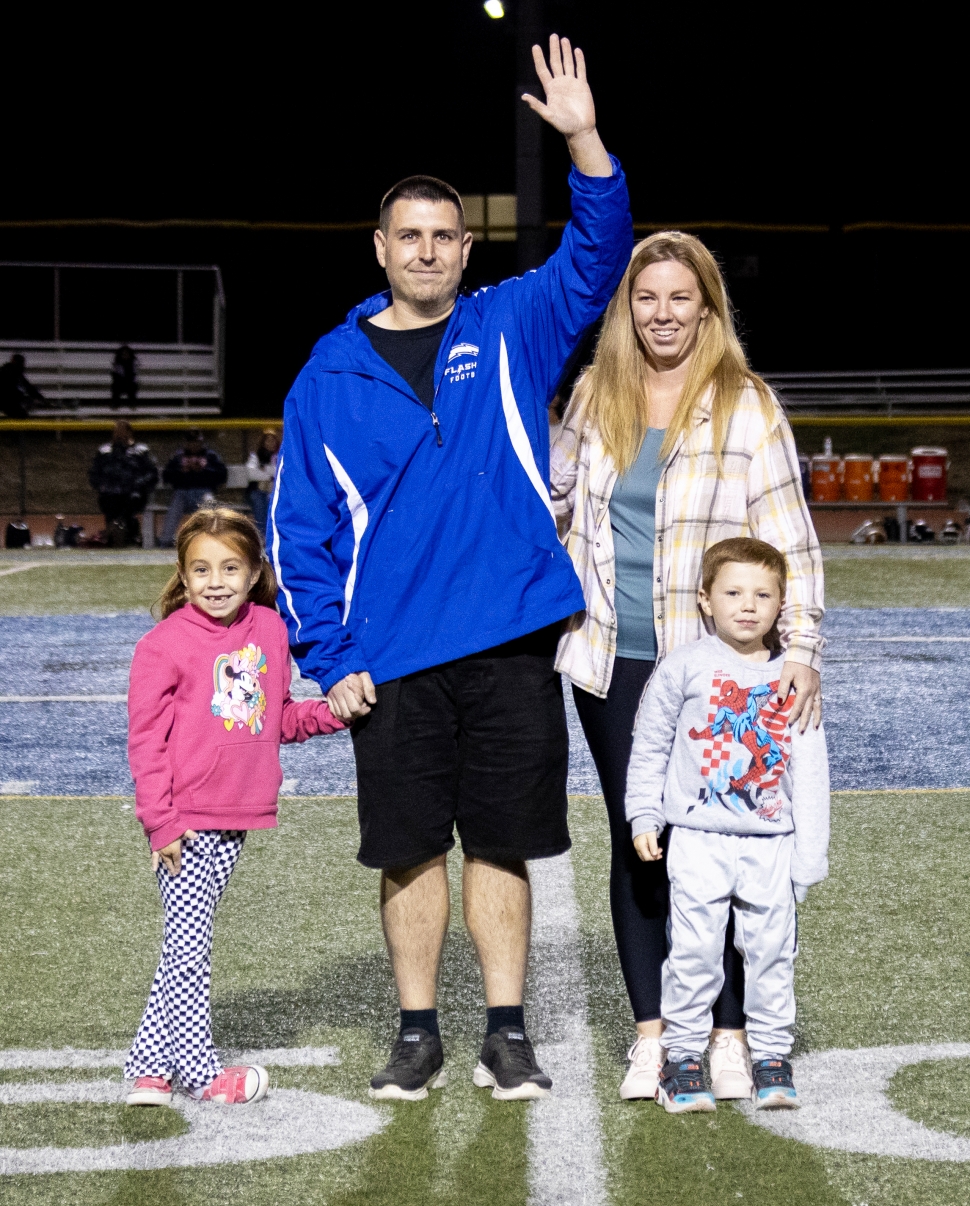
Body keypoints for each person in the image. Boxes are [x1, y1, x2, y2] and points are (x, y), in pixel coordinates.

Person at [270, 35, 632, 1102]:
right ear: (378, 247)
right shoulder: (325, 377)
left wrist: (583, 140)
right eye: (408, 236)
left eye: (443, 237)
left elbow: (599, 254)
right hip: (388, 659)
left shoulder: (511, 325)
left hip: (510, 638)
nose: (426, 252)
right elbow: (301, 537)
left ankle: (507, 1030)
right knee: (407, 853)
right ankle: (419, 1030)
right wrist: (325, 658)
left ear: (466, 249)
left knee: (504, 847)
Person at [551, 231, 824, 1102]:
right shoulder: (597, 394)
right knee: (643, 842)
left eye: (681, 298)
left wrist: (803, 648)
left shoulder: (746, 403)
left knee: (731, 841)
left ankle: (734, 1034)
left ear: (708, 308)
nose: (663, 314)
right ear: (625, 309)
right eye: (646, 298)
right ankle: (654, 1034)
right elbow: (555, 506)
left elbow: (792, 540)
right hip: (612, 663)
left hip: (723, 671)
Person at [124, 507, 346, 1107]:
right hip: (187, 820)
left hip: (237, 814)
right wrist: (161, 823)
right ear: (183, 574)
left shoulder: (271, 631)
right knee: (189, 947)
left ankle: (149, 1068)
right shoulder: (161, 645)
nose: (215, 581)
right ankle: (199, 1073)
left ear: (253, 574)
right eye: (200, 569)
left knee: (182, 941)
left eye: (229, 567)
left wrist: (332, 714)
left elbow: (276, 719)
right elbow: (145, 744)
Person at [625, 538, 829, 1112]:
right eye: (733, 592)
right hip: (697, 840)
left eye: (763, 595)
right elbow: (650, 747)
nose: (748, 605)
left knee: (770, 954)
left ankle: (769, 1055)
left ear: (781, 604)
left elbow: (810, 771)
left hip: (771, 845)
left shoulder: (794, 678)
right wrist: (645, 813)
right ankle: (683, 1059)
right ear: (705, 600)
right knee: (692, 952)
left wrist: (810, 854)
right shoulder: (683, 667)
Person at [88, 420, 158, 546]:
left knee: (130, 505)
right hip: (110, 494)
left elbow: (152, 473)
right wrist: (102, 485)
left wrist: (138, 484)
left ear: (130, 433)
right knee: (111, 503)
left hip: (133, 493)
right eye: (117, 432)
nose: (120, 435)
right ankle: (115, 534)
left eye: (123, 431)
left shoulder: (141, 451)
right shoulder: (104, 451)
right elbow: (94, 473)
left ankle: (123, 533)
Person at [159, 429, 228, 547]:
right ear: (186, 443)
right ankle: (165, 540)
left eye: (197, 442)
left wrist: (203, 471)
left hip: (203, 490)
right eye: (191, 442)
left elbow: (222, 475)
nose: (194, 445)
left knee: (209, 504)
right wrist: (181, 471)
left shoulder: (211, 456)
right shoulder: (178, 456)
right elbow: (167, 475)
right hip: (182, 492)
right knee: (175, 504)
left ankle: (215, 538)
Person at [245, 428, 280, 536]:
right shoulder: (255, 456)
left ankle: (272, 535)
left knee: (273, 500)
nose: (270, 443)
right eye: (267, 440)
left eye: (273, 440)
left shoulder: (280, 456)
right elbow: (251, 474)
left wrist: (265, 470)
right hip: (258, 491)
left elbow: (280, 473)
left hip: (275, 491)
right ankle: (261, 535)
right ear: (263, 442)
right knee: (259, 500)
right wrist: (270, 474)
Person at [0, 353, 43, 418]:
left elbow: (28, 387)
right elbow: (9, 391)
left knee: (21, 416)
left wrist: (40, 398)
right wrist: (24, 398)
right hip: (5, 400)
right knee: (21, 416)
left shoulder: (16, 372)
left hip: (8, 401)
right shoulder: (8, 372)